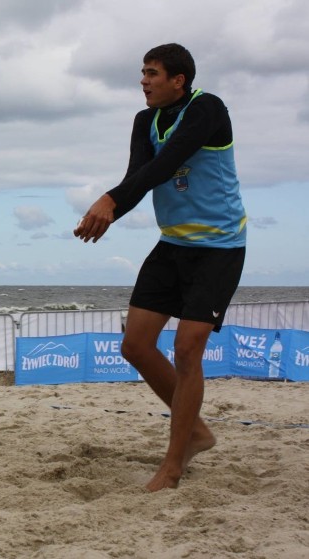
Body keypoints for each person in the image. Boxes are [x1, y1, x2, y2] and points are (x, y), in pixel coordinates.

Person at [74, 44, 246, 492]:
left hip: (218, 248)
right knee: (134, 345)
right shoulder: (144, 121)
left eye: (152, 73)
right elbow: (139, 175)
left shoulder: (207, 109)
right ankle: (198, 432)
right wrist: (110, 210)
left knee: (188, 350)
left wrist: (109, 199)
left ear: (179, 80)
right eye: (142, 73)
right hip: (172, 246)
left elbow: (170, 164)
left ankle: (173, 463)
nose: (144, 81)